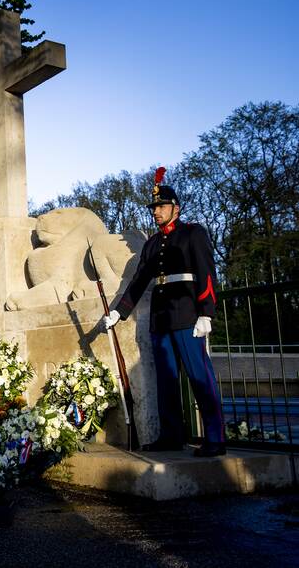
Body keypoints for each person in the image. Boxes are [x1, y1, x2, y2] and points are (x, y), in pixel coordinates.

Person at [103, 172, 225, 457]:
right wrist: (119, 312)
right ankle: (172, 436)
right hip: (161, 319)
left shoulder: (193, 234)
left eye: (161, 206)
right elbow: (138, 281)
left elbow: (207, 274)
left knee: (200, 377)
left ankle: (216, 438)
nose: (156, 212)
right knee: (166, 381)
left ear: (176, 208)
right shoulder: (152, 244)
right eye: (153, 208)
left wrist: (206, 312)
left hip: (187, 315)